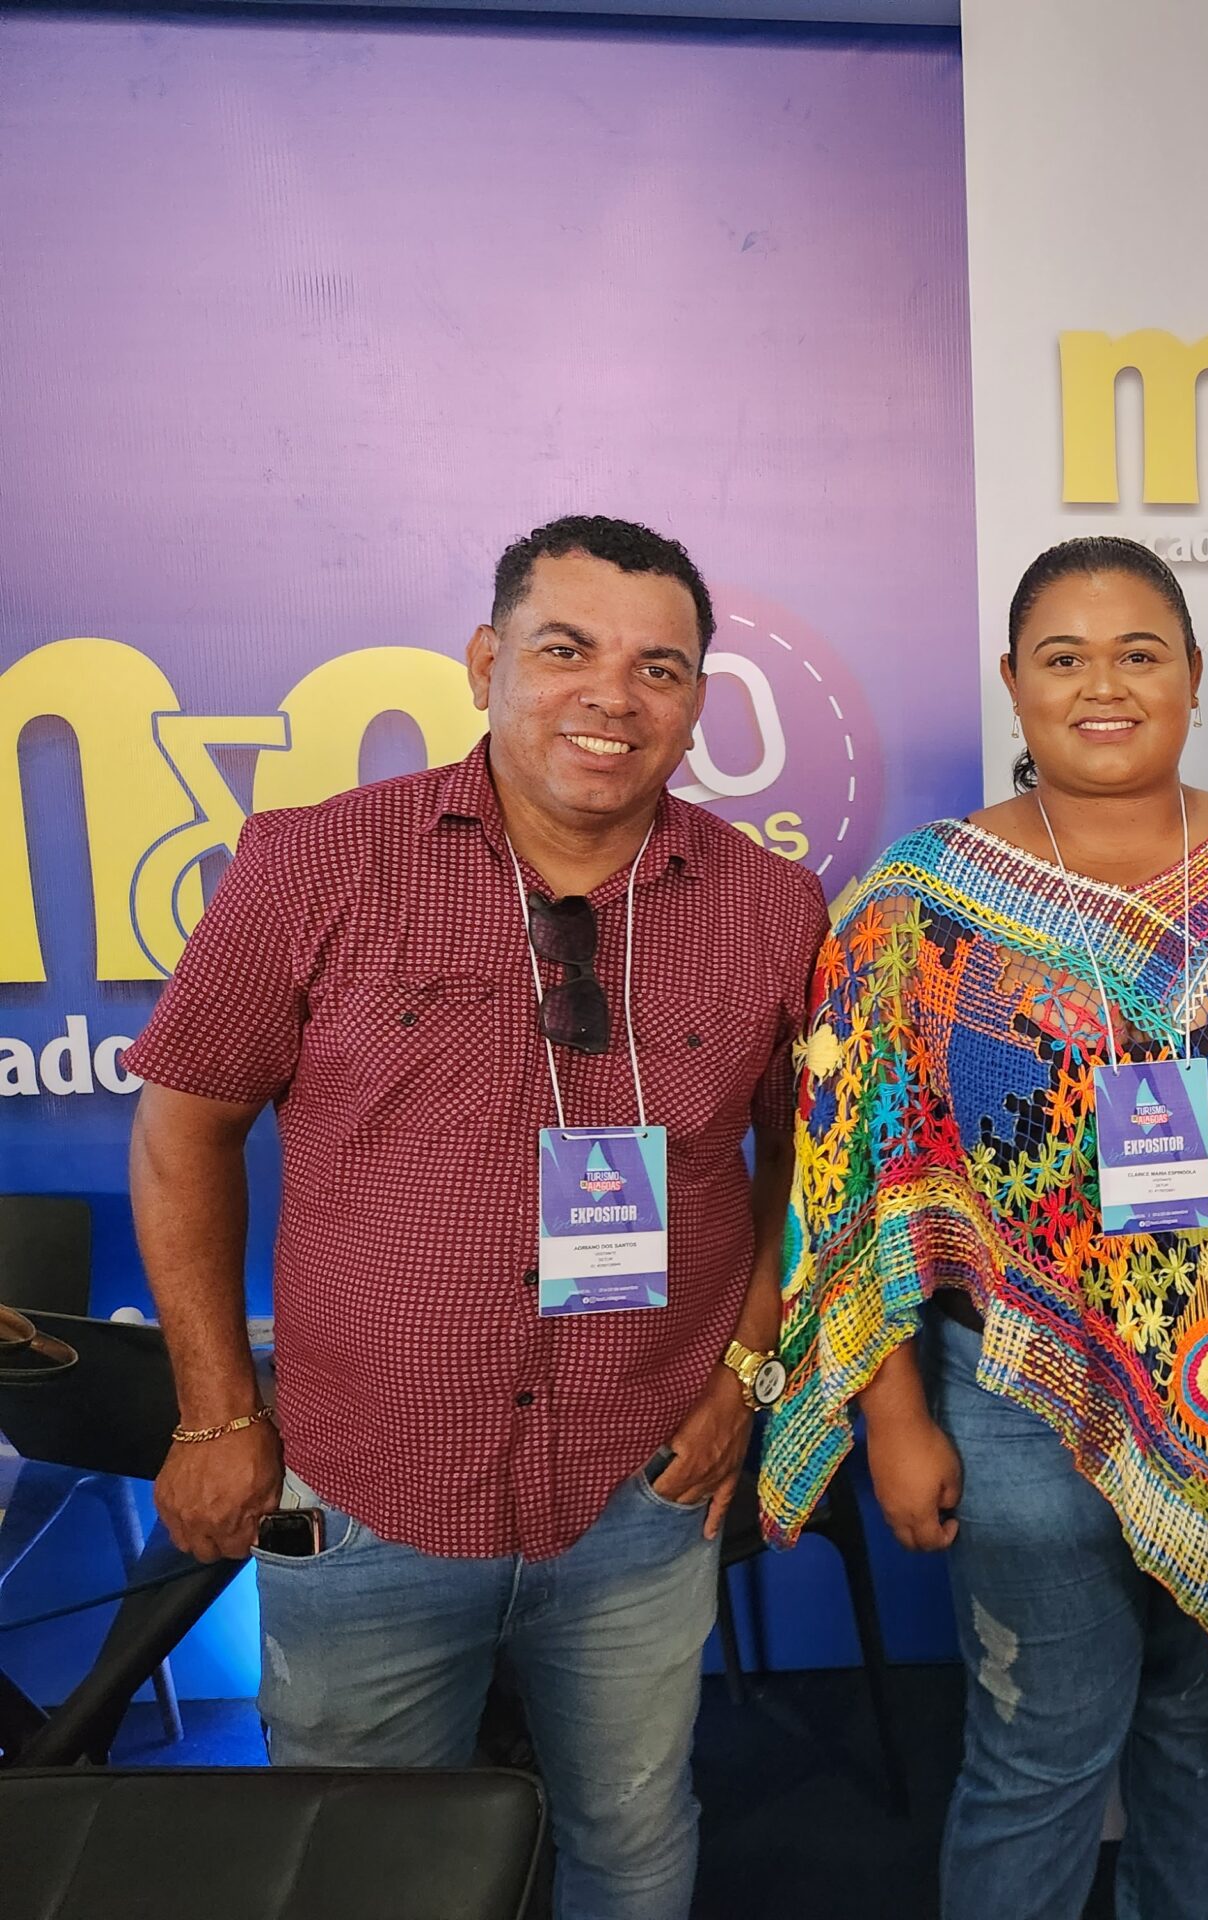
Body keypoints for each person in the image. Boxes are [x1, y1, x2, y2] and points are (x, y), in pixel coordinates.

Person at [127, 515, 825, 1920]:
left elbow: (802, 1169)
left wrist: (746, 1377)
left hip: (639, 1494)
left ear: (697, 700)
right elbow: (183, 1129)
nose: (612, 697)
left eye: (661, 668)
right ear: (486, 662)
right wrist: (214, 1410)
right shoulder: (317, 865)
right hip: (369, 1489)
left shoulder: (770, 905)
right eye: (566, 651)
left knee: (633, 1846)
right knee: (367, 1869)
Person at [761, 537, 1208, 1920]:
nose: (1104, 687)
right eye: (1063, 659)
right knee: (1041, 1757)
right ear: (1014, 685)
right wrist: (894, 1417)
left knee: (1207, 1731)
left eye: (1139, 653)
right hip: (1014, 1400)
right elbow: (848, 1178)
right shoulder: (912, 908)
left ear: (1192, 675)